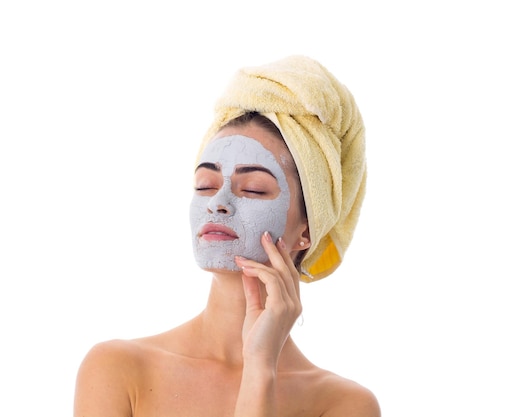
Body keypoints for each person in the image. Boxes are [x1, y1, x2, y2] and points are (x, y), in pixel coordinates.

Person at [74, 55, 380, 417]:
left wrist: (260, 369)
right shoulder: (117, 369)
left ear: (307, 231)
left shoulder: (344, 405)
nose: (218, 203)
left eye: (252, 189)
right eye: (205, 184)